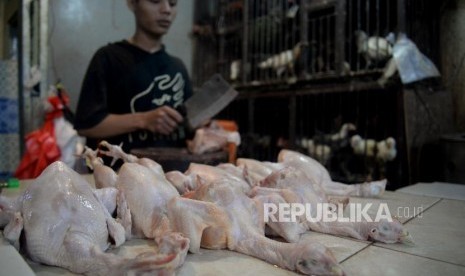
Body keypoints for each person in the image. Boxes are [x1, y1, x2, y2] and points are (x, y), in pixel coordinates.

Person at [74, 0, 191, 158]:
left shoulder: (178, 67)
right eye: (155, 1)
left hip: (170, 177)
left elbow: (190, 126)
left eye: (173, 3)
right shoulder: (108, 58)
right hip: (120, 176)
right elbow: (87, 125)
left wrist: (206, 132)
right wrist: (143, 120)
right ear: (132, 3)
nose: (166, 10)